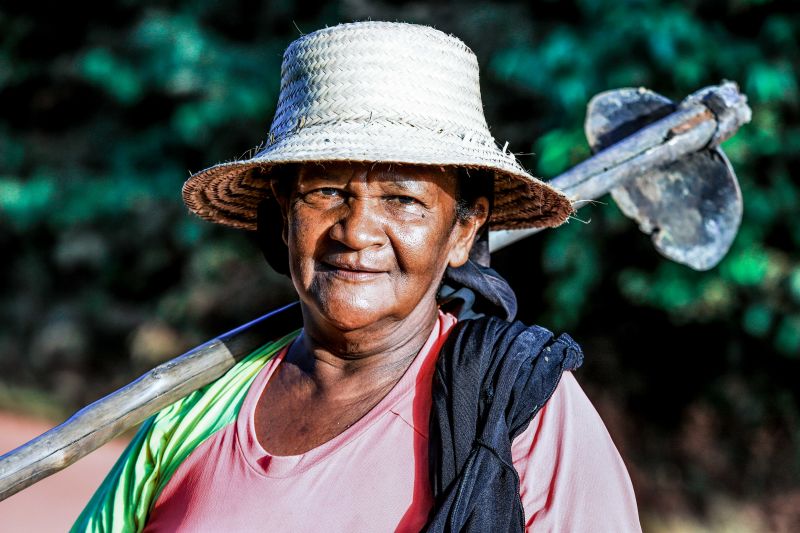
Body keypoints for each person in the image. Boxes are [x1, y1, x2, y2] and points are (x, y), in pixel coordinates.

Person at [72, 21, 641, 532]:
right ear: (284, 213)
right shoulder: (188, 414)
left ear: (465, 230)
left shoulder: (519, 408)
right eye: (326, 191)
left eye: (403, 199)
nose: (356, 231)